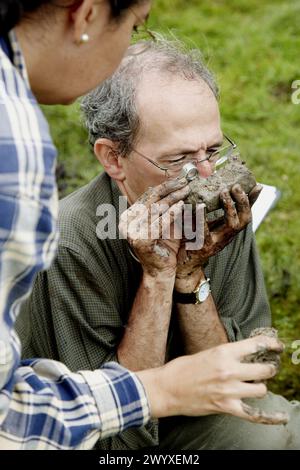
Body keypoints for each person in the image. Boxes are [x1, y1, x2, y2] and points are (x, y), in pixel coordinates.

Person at [0, 0, 285, 451]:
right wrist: (156, 276)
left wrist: (190, 278)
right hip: (94, 431)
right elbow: (108, 436)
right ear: (113, 158)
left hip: (199, 412)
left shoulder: (222, 210)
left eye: (212, 150)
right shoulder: (69, 240)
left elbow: (244, 374)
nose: (206, 176)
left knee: (280, 430)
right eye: (178, 160)